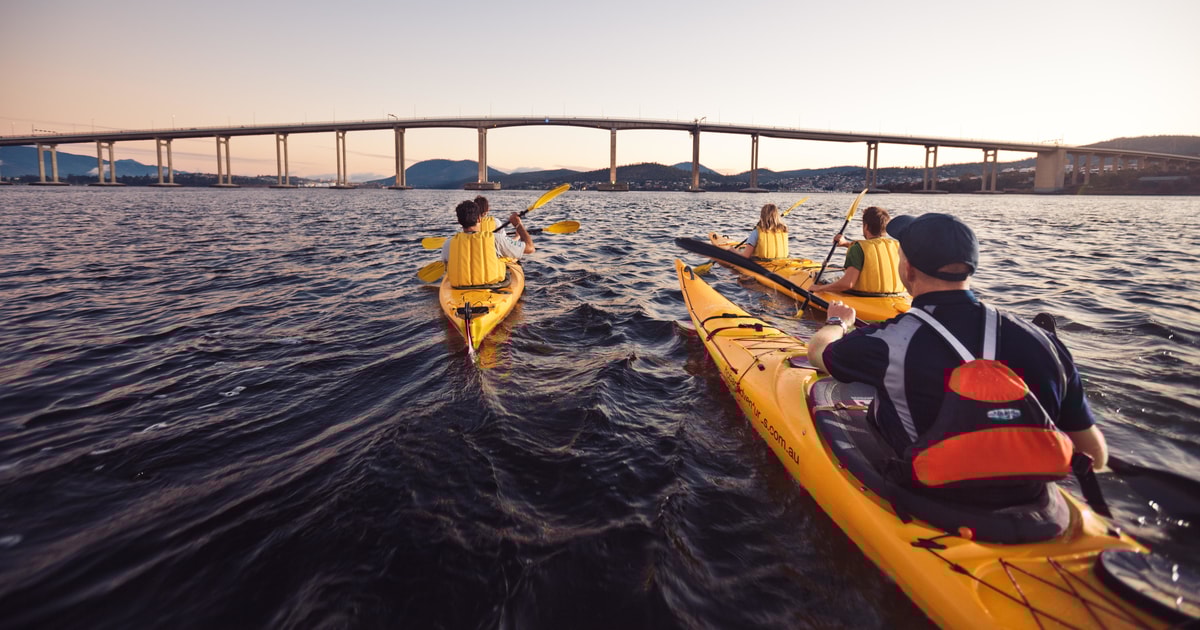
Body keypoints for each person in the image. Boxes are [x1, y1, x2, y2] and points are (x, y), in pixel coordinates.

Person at [807, 212, 1108, 504]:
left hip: (928, 493)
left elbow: (818, 353)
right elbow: (1095, 457)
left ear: (908, 270)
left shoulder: (889, 341)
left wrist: (837, 323)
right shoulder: (1044, 342)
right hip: (1028, 498)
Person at [811, 206, 904, 295]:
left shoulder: (857, 248)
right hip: (896, 295)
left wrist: (819, 289)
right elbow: (873, 251)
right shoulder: (898, 245)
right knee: (834, 267)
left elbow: (847, 284)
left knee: (824, 276)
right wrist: (845, 244)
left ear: (866, 226)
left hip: (864, 296)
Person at [440, 200, 534, 287]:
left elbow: (446, 266)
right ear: (479, 219)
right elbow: (530, 248)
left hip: (460, 288)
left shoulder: (448, 243)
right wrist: (518, 225)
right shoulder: (496, 239)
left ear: (459, 221)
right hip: (492, 286)